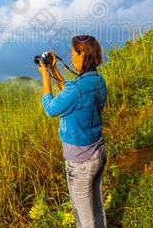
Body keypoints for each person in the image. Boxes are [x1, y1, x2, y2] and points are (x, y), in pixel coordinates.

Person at [38, 35, 108, 228]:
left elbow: (51, 108)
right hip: (98, 153)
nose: (71, 58)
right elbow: (71, 92)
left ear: (82, 55)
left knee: (84, 219)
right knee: (97, 208)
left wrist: (45, 75)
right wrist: (53, 68)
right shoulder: (98, 81)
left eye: (73, 54)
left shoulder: (77, 89)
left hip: (80, 161)